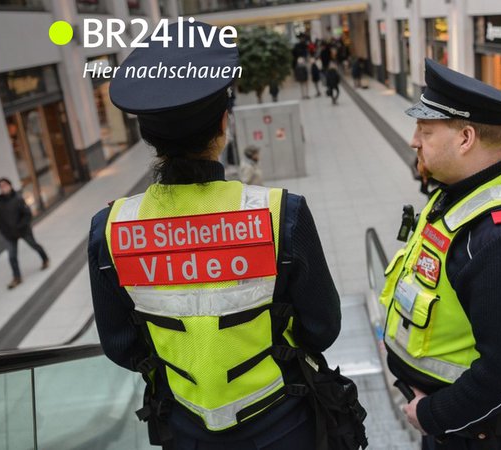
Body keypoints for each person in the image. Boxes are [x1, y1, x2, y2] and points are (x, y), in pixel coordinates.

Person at [88, 20, 363, 450]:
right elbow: (322, 326)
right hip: (283, 420)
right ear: (223, 123)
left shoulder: (110, 227)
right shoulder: (279, 213)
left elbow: (120, 343)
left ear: (148, 137)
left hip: (183, 426)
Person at [380, 59, 501, 450]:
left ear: (466, 138)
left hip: (473, 434)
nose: (414, 140)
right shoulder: (461, 189)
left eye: (426, 130)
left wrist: (431, 416)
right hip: (451, 424)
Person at [0, 178, 49, 289]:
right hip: (9, 234)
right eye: (1, 186)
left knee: (34, 245)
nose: (3, 188)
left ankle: (45, 259)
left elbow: (27, 215)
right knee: (12, 256)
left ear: (10, 185)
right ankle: (17, 277)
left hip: (23, 231)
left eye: (5, 185)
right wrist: (2, 230)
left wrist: (19, 226)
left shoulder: (18, 198)